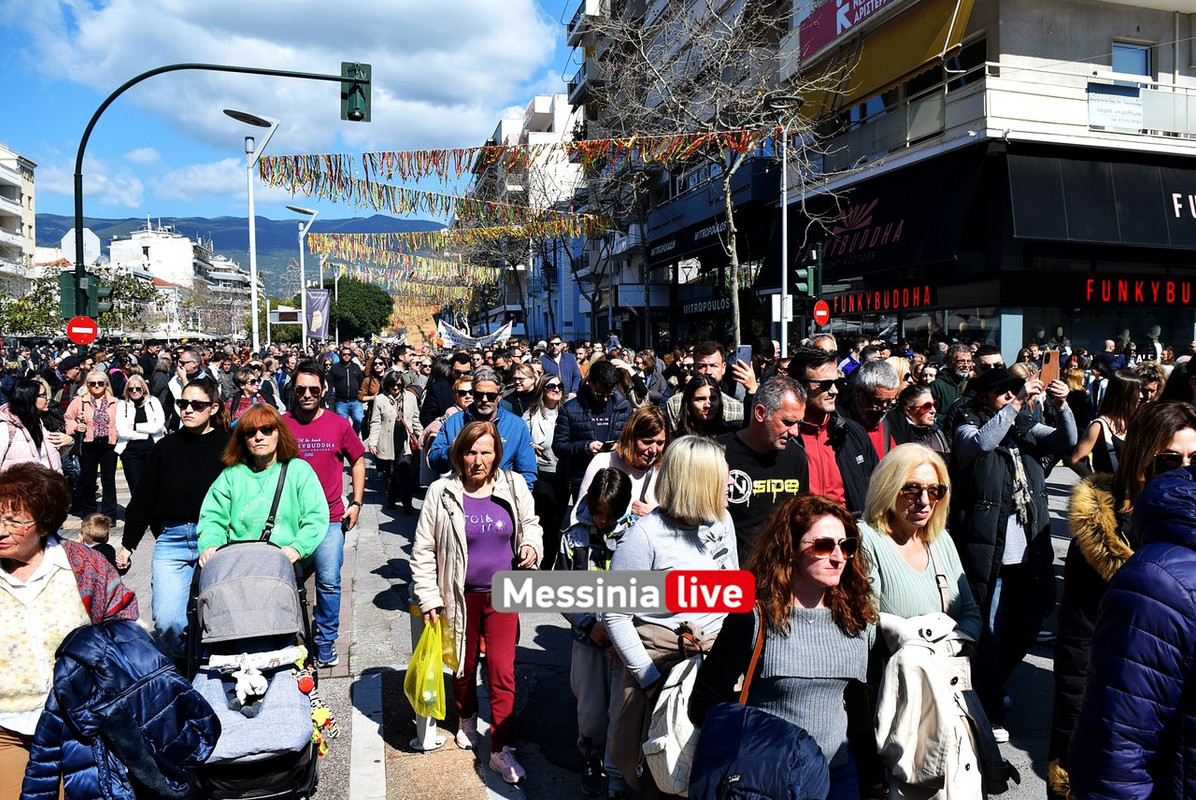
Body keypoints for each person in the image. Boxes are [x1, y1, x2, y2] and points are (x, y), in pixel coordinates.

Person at [1047, 401, 1196, 800]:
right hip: (1117, 726)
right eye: (1169, 461)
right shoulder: (1105, 531)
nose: (1185, 471)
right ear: (1141, 462)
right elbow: (1077, 648)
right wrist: (1068, 746)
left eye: (1195, 460)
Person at [689, 494, 875, 799]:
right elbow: (704, 704)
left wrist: (872, 779)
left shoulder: (855, 619)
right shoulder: (753, 617)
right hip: (771, 781)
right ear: (790, 550)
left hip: (839, 778)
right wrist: (772, 746)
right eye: (824, 545)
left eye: (846, 546)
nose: (838, 557)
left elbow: (857, 707)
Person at [602, 436, 738, 795]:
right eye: (722, 477)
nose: (731, 483)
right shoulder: (644, 537)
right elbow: (614, 614)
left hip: (715, 664)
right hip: (661, 667)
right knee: (659, 772)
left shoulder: (722, 520)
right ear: (697, 483)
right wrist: (649, 682)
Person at [410, 421, 543, 784]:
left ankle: (501, 747)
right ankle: (466, 716)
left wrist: (531, 545)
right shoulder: (441, 492)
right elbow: (423, 550)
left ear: (497, 453)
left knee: (502, 670)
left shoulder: (513, 485)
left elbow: (531, 524)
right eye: (471, 452)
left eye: (486, 452)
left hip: (503, 594)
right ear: (460, 455)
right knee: (463, 666)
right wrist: (429, 597)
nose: (478, 460)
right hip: (458, 596)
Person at [949, 366, 1077, 741]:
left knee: (1026, 625)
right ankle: (986, 705)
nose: (1010, 397)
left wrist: (1062, 405)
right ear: (984, 397)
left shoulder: (1022, 428)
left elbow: (1066, 441)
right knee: (988, 632)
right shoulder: (968, 423)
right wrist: (1017, 403)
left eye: (1014, 392)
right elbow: (981, 444)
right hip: (990, 552)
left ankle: (991, 684)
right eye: (1003, 393)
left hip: (1029, 551)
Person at [0, 463, 138, 800]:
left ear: (45, 523)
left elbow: (123, 627)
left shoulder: (84, 565)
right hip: (6, 725)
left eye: (14, 522)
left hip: (79, 724)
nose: (1, 530)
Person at [556, 468, 635, 798]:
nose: (603, 520)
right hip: (588, 640)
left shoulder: (638, 535)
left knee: (622, 712)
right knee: (590, 713)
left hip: (627, 643)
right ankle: (590, 758)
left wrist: (627, 632)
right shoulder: (573, 536)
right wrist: (588, 623)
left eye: (611, 515)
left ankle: (617, 775)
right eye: (598, 512)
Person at [283, 361, 366, 668]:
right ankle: (292, 637)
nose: (307, 394)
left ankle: (326, 639)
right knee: (286, 582)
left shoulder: (338, 424)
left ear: (324, 390)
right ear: (293, 390)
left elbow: (358, 460)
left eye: (313, 389)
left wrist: (356, 502)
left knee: (329, 582)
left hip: (330, 519)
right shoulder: (281, 424)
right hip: (290, 521)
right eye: (301, 389)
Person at [197, 404, 329, 568]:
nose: (258, 437)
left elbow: (315, 516)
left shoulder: (299, 471)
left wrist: (298, 547)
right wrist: (211, 544)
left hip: (289, 565)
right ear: (243, 439)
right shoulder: (231, 476)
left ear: (279, 433)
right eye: (250, 432)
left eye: (266, 430)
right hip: (241, 566)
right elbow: (212, 518)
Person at [718, 375, 810, 560]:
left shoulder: (796, 457)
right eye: (788, 422)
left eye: (799, 424)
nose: (794, 432)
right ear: (760, 413)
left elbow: (801, 517)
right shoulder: (719, 453)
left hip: (781, 569)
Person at [787, 347, 880, 516]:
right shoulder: (783, 439)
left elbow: (878, 489)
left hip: (850, 529)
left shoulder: (854, 434)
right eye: (825, 385)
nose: (834, 391)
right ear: (799, 386)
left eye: (836, 383)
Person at [428, 367, 537, 490]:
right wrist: (451, 451)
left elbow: (527, 472)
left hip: (501, 494)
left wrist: (519, 498)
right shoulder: (455, 422)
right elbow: (434, 461)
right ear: (473, 394)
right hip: (462, 493)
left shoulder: (516, 425)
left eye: (491, 396)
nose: (484, 400)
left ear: (500, 396)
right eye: (479, 395)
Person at [553, 360, 633, 501]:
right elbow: (559, 446)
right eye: (599, 393)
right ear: (590, 382)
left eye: (610, 394)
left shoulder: (624, 408)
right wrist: (586, 447)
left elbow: (633, 441)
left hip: (617, 479)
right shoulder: (570, 409)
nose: (605, 399)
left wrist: (620, 447)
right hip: (583, 480)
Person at [576, 405, 669, 523]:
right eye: (647, 442)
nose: (653, 450)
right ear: (631, 438)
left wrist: (655, 517)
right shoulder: (603, 462)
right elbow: (578, 516)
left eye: (660, 443)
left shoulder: (665, 472)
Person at [65, 370, 119, 524]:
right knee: (88, 479)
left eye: (100, 383)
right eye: (92, 383)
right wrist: (76, 427)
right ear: (87, 385)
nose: (96, 386)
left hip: (109, 444)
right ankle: (89, 512)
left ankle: (110, 514)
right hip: (88, 443)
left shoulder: (115, 402)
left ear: (106, 384)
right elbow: (68, 418)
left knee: (109, 480)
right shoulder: (79, 401)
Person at [1067, 370, 1140, 477]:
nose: (1141, 396)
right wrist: (1096, 481)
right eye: (1137, 391)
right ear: (1125, 395)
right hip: (1109, 486)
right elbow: (1075, 460)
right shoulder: (1099, 426)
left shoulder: (1135, 422)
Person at [525, 375, 567, 553]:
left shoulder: (568, 411)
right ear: (542, 389)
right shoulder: (531, 414)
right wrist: (530, 445)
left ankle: (556, 555)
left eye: (559, 386)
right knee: (547, 518)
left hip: (564, 473)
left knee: (560, 519)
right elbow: (522, 439)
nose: (556, 389)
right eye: (551, 386)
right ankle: (545, 556)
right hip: (542, 472)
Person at [664, 342, 746, 428]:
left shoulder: (736, 409)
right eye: (702, 366)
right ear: (694, 368)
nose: (708, 372)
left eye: (714, 366)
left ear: (723, 368)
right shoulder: (675, 404)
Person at [115, 374, 165, 495]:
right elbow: (121, 431)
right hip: (130, 451)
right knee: (136, 486)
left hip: (152, 448)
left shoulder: (153, 401)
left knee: (153, 485)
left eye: (138, 388)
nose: (134, 391)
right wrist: (145, 434)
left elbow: (158, 425)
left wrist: (136, 427)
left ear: (143, 388)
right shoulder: (122, 405)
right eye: (130, 389)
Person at [0, 379, 64, 472]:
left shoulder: (44, 423)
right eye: (43, 395)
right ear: (29, 398)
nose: (48, 398)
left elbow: (51, 456)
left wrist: (69, 443)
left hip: (48, 480)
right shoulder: (6, 428)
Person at [886, 384, 951, 454]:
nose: (933, 411)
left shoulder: (937, 431)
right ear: (908, 411)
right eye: (927, 406)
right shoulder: (901, 436)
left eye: (934, 405)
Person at [670, 374, 732, 438]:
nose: (707, 405)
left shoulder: (729, 435)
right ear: (689, 402)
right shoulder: (675, 438)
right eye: (700, 399)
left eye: (713, 399)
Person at [329, 345, 365, 435]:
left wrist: (361, 393)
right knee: (343, 424)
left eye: (348, 354)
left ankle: (354, 435)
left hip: (355, 400)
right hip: (341, 401)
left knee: (358, 420)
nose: (346, 356)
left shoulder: (356, 367)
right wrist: (330, 398)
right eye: (344, 354)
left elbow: (361, 381)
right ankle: (346, 438)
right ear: (341, 355)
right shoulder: (335, 368)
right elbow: (330, 383)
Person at [929, 344, 972, 414]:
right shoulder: (937, 386)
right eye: (961, 361)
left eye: (969, 361)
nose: (966, 365)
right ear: (949, 363)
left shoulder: (970, 384)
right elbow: (930, 413)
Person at [358, 354, 389, 442]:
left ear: (384, 365)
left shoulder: (389, 378)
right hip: (374, 411)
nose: (377, 366)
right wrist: (372, 398)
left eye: (380, 363)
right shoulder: (368, 380)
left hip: (388, 410)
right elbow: (360, 397)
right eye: (375, 364)